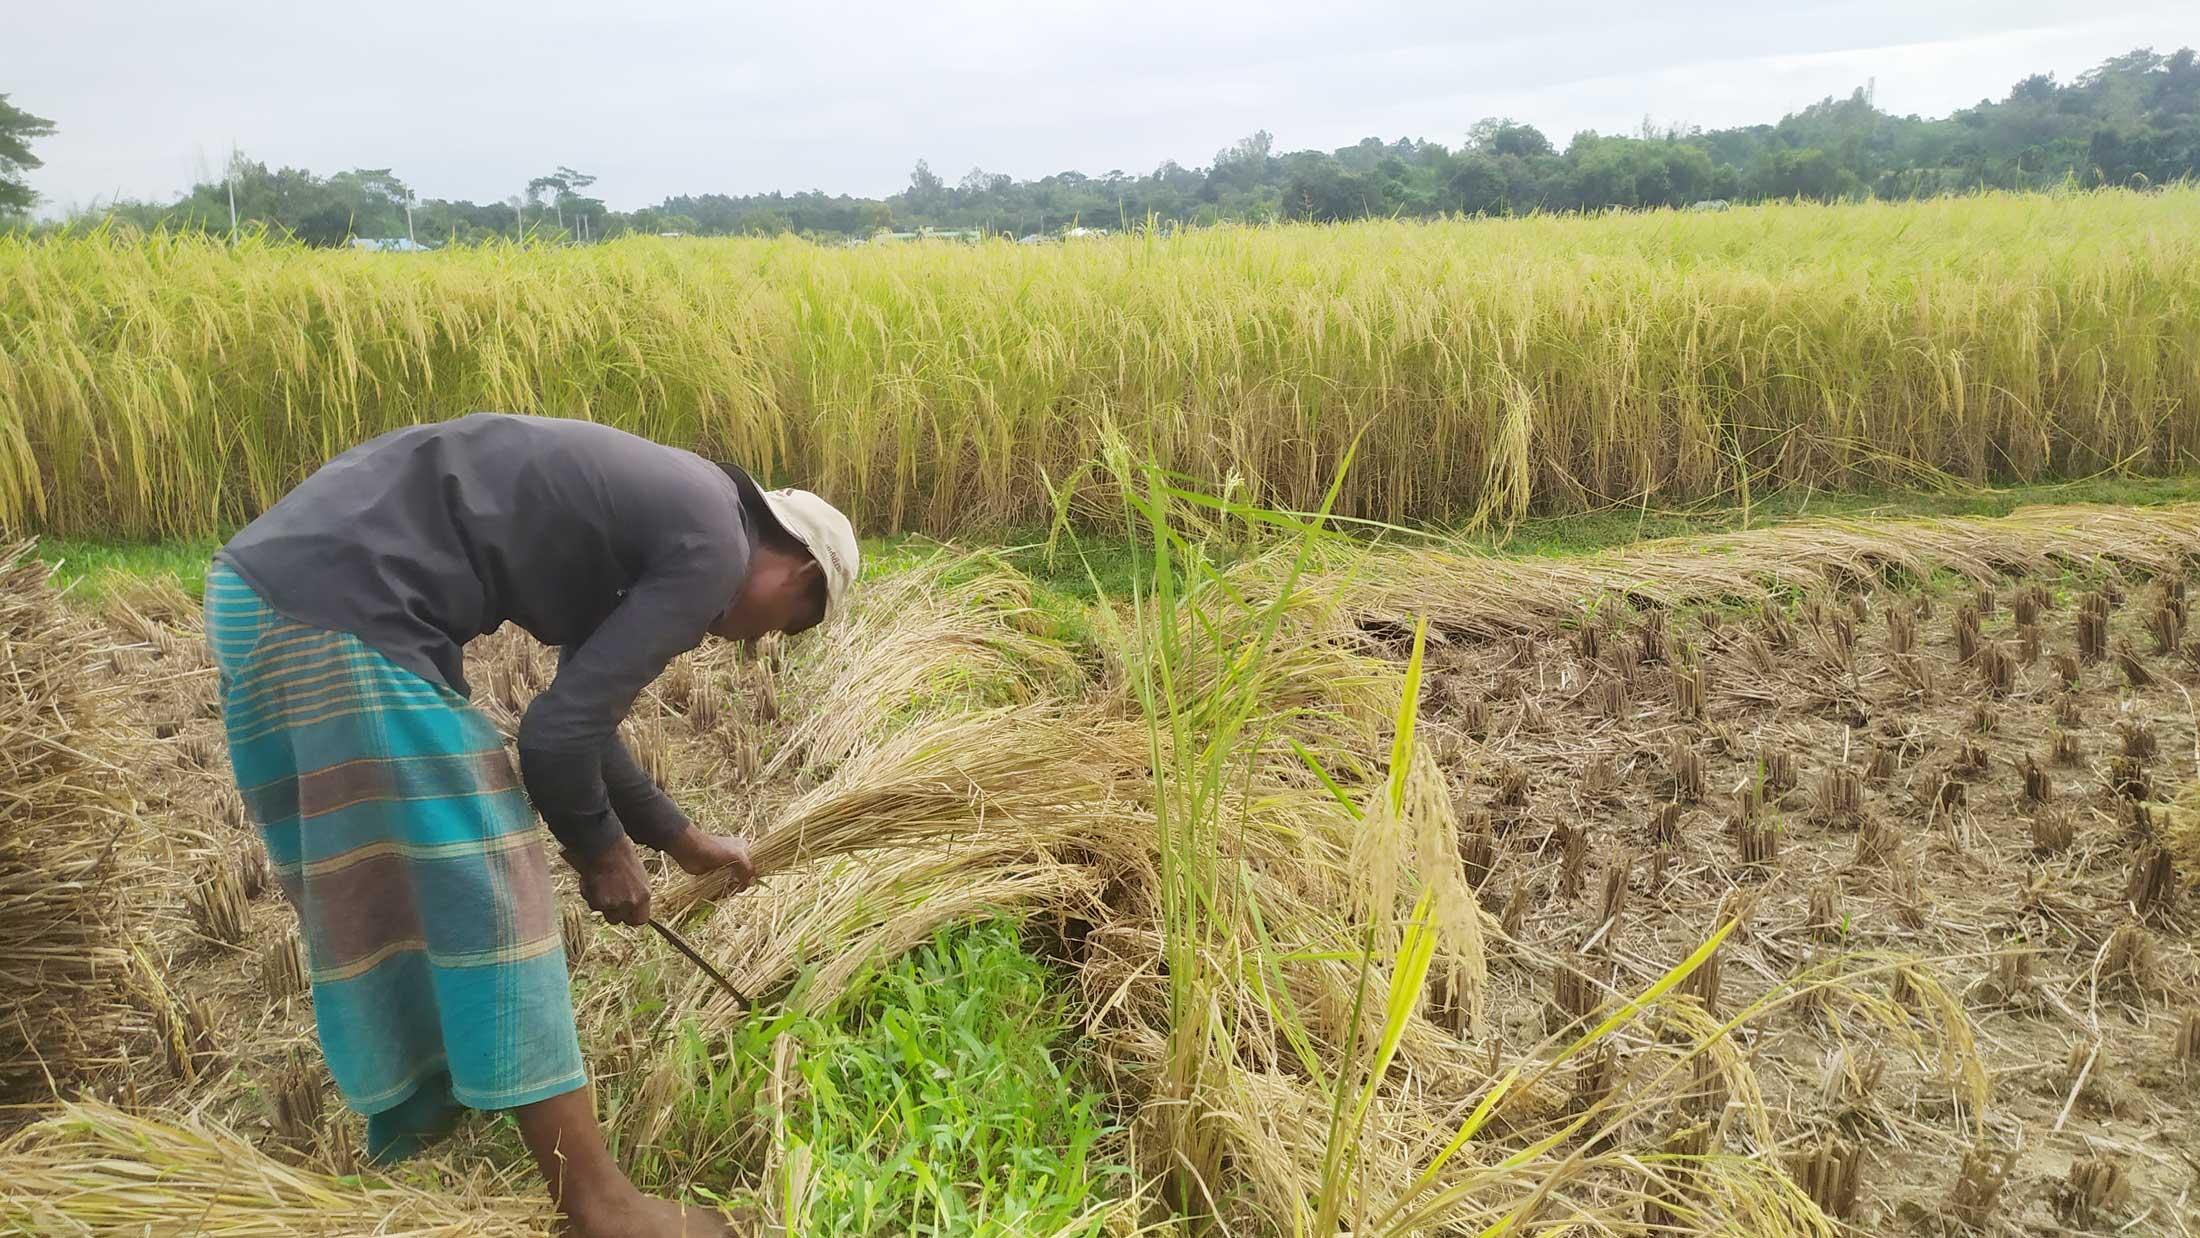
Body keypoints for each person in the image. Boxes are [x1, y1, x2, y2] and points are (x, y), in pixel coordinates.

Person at [203, 412, 858, 1237]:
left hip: (260, 594)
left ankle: (434, 1112)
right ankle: (603, 1208)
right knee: (495, 889)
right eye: (785, 626)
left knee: (389, 876)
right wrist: (601, 852)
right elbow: (553, 739)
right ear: (799, 570)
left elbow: (582, 716)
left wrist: (678, 840)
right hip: (341, 610)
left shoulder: (675, 508)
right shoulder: (716, 546)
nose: (751, 642)